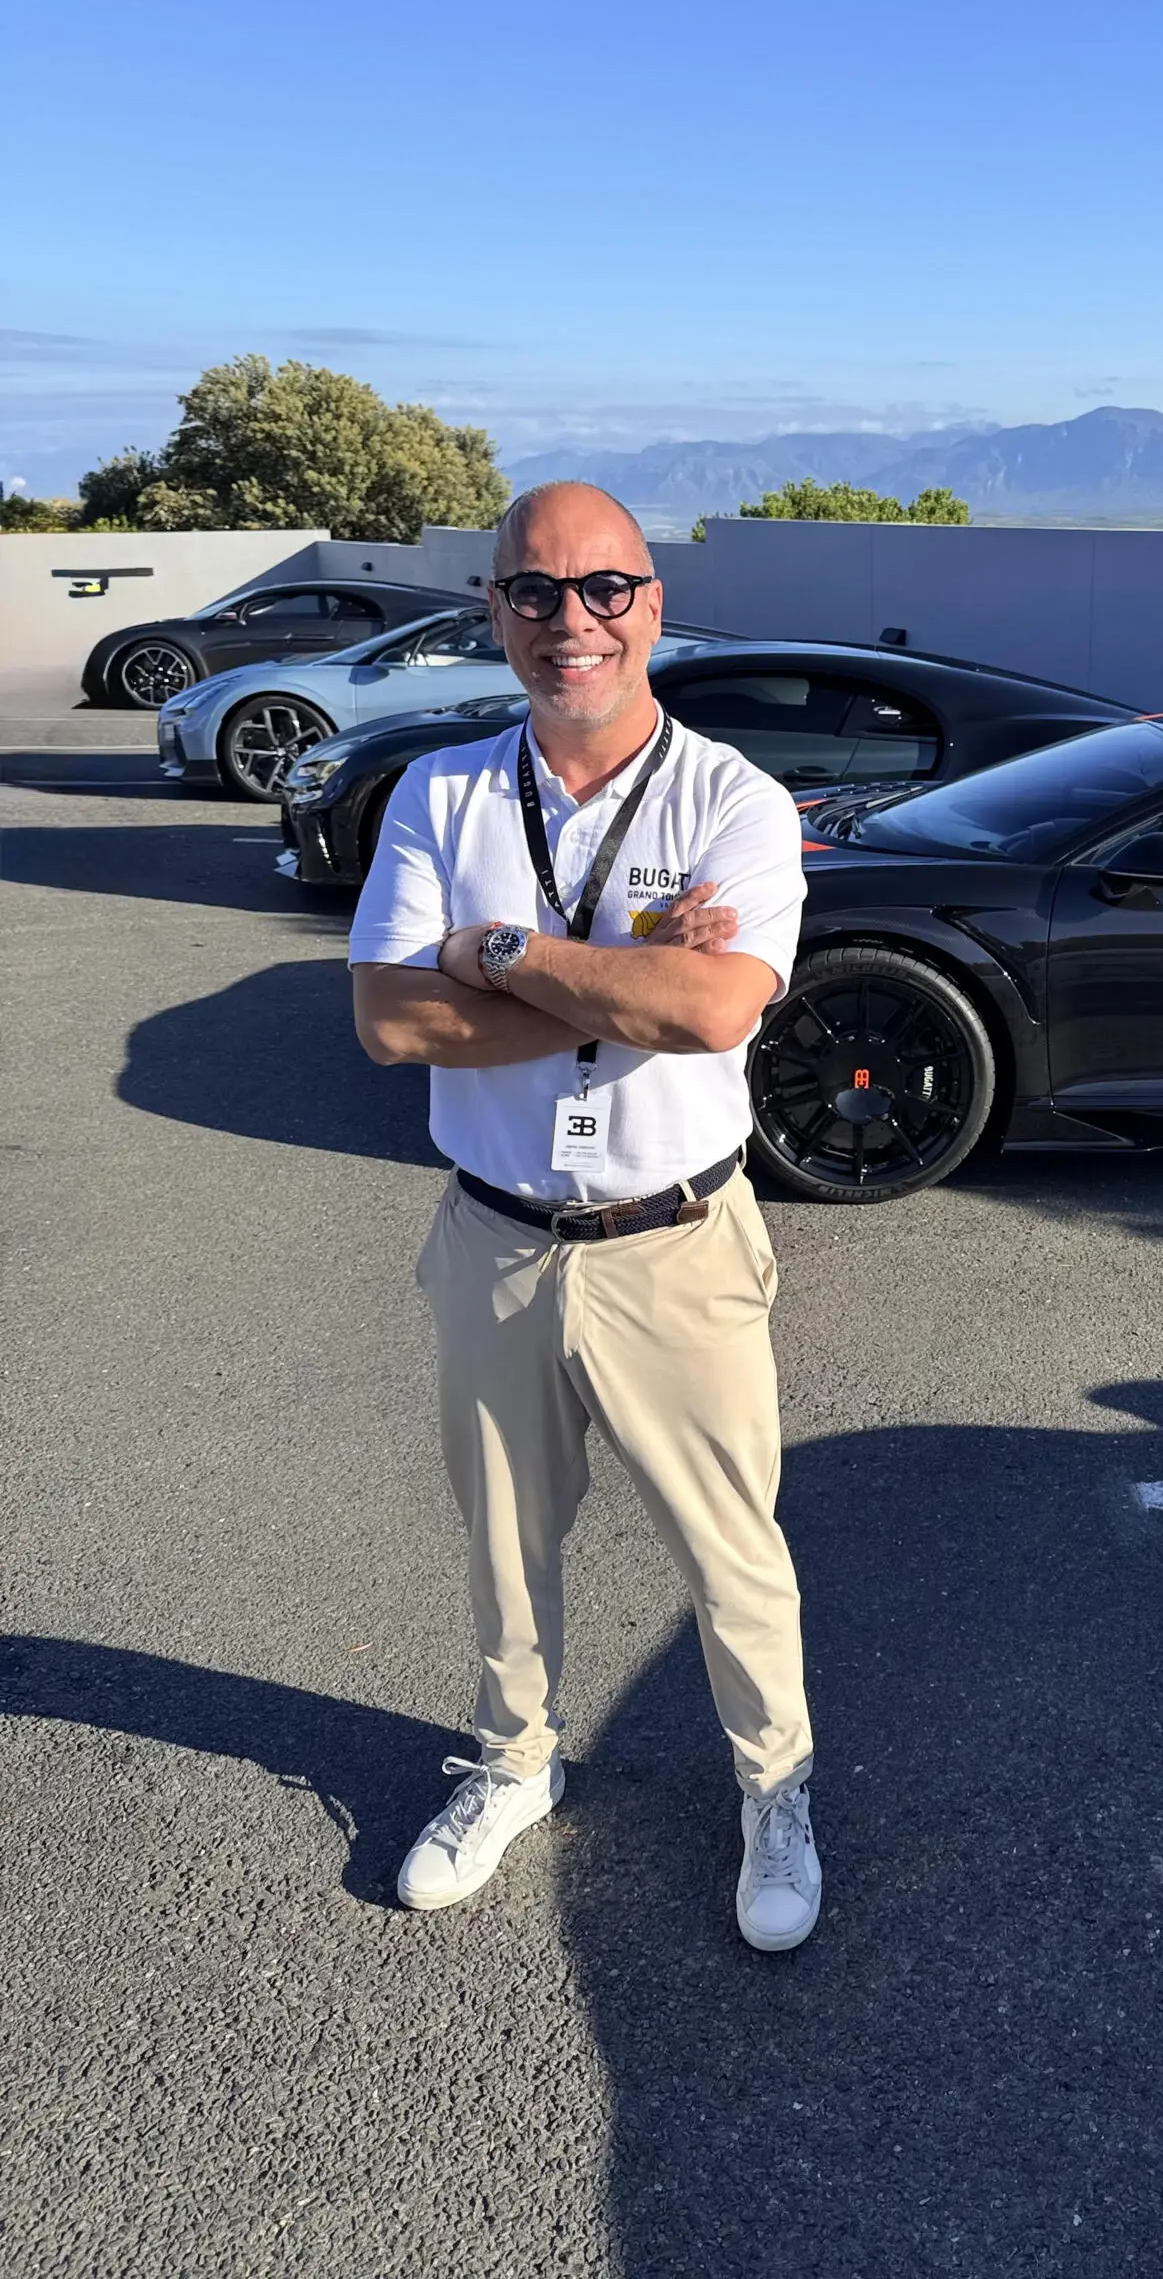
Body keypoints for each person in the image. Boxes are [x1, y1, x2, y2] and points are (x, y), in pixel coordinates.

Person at [348, 480, 820, 1948]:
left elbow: (715, 1010)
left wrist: (490, 950)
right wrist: (620, 976)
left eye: (604, 587)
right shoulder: (441, 792)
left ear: (652, 606)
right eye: (536, 591)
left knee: (731, 1549)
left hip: (676, 1242)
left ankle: (776, 1790)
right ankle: (513, 1765)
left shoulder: (731, 800)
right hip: (494, 1235)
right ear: (495, 610)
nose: (574, 620)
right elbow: (388, 1022)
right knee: (504, 1538)